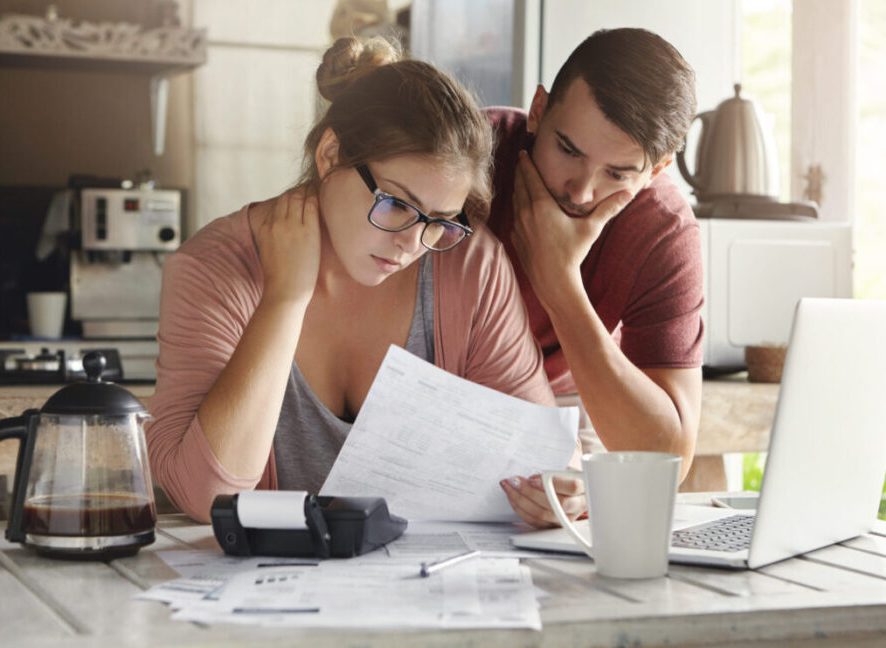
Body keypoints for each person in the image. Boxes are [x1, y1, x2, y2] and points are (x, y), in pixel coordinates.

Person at [145, 37, 583, 526]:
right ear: (330, 155)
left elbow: (542, 457)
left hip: (427, 586)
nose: (412, 243)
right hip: (265, 594)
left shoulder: (470, 264)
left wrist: (561, 492)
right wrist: (285, 299)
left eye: (439, 220)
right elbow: (207, 495)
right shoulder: (214, 269)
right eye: (396, 203)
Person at [490, 28, 704, 526]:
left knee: (579, 531)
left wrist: (560, 284)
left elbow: (666, 461)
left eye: (619, 173)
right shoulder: (468, 155)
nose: (583, 192)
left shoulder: (663, 230)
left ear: (657, 169)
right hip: (435, 378)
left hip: (570, 393)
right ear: (539, 110)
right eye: (568, 150)